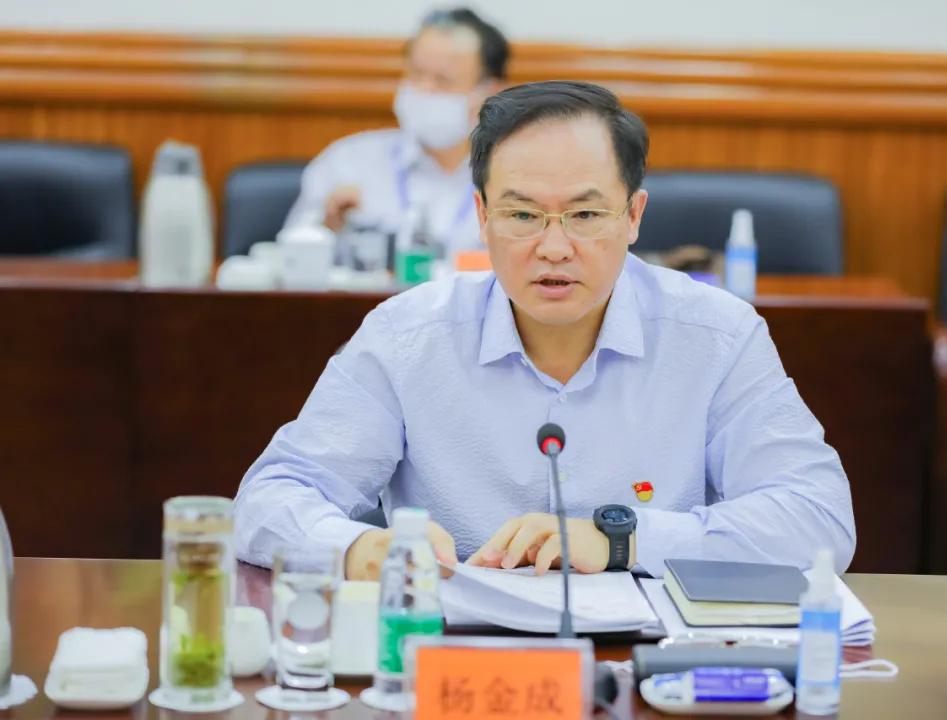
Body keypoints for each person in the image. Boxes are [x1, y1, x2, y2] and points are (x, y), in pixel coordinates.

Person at [235, 80, 856, 580]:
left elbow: (819, 518)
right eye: (522, 214)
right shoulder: (406, 336)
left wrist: (621, 541)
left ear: (634, 216)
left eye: (585, 214)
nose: (553, 247)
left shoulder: (716, 335)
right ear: (482, 216)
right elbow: (269, 499)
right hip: (453, 651)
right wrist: (357, 547)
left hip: (649, 658)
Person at [282, 7, 508, 257]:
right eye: (416, 74)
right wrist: (327, 228)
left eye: (442, 80)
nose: (423, 89)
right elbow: (288, 260)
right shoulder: (347, 162)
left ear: (490, 92)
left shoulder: (513, 174)